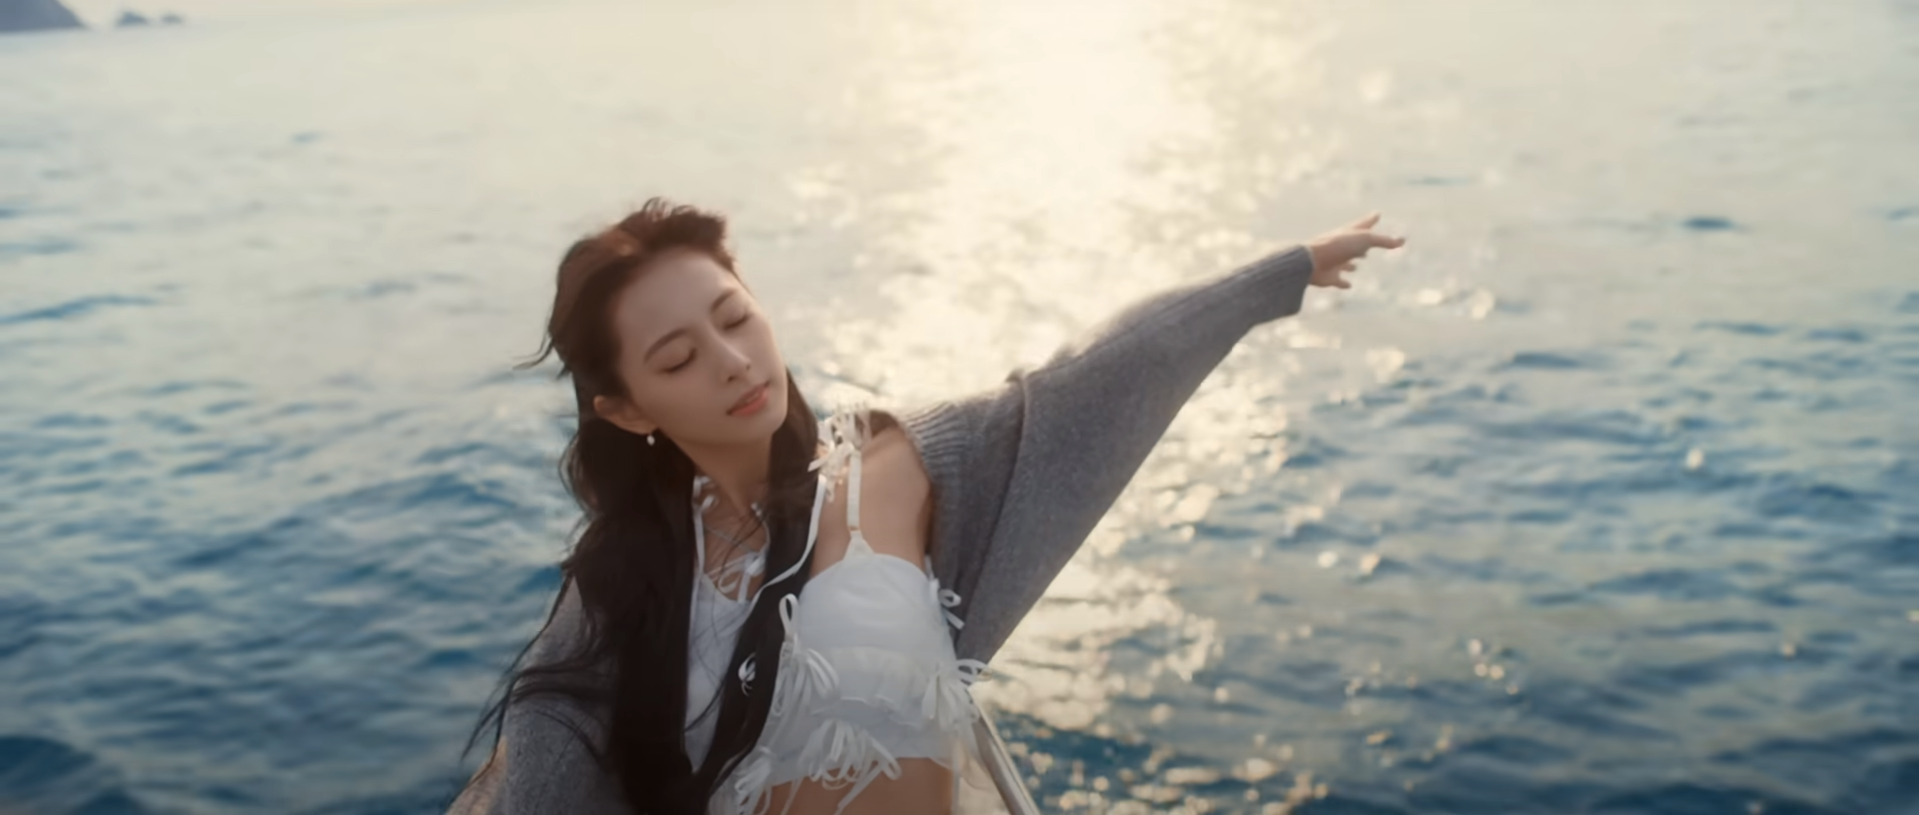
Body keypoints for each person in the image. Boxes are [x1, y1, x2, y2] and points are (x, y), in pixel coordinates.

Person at [445, 198, 1405, 814]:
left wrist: (1275, 276)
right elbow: (540, 773)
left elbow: (1085, 382)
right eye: (676, 358)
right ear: (624, 408)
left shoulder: (898, 464)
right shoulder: (628, 579)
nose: (732, 361)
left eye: (734, 317)